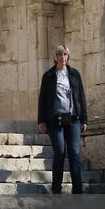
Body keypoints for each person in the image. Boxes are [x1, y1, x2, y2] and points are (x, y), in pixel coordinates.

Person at [37, 44, 88, 195]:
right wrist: (41, 120)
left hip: (73, 119)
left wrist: (84, 119)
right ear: (55, 57)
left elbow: (81, 97)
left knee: (74, 154)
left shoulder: (74, 74)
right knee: (60, 152)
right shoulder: (48, 76)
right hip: (55, 120)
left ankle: (77, 190)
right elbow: (42, 99)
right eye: (59, 55)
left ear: (68, 56)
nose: (62, 57)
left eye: (65, 54)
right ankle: (56, 189)